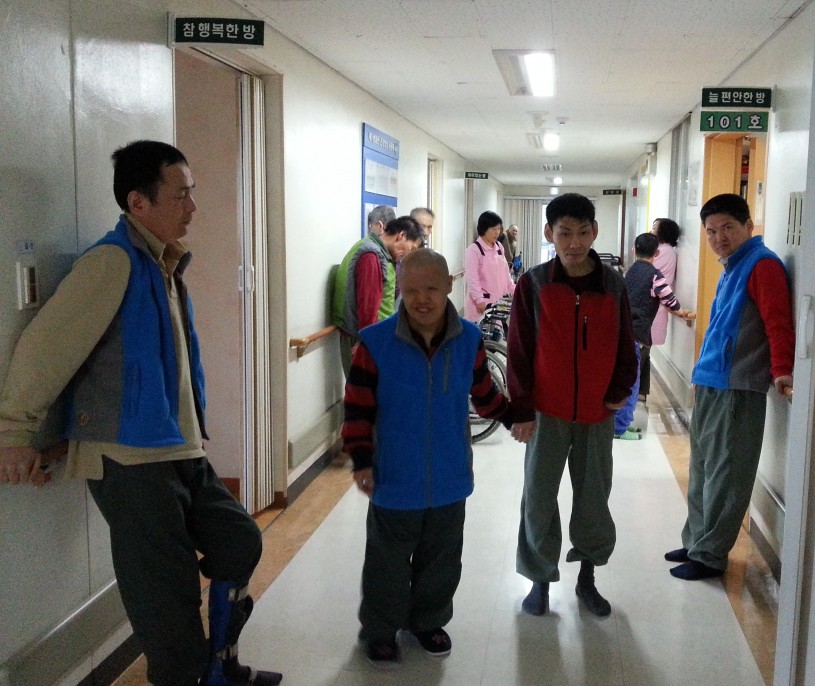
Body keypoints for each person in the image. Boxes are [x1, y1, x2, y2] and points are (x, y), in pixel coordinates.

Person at [0, 141, 280, 686]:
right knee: (166, 594)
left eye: (191, 193)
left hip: (177, 446)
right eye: (181, 195)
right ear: (138, 202)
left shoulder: (162, 264)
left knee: (238, 540)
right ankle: (187, 676)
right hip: (128, 459)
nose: (192, 206)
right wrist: (15, 433)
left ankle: (219, 668)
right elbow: (45, 349)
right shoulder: (111, 263)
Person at [341, 249, 510, 667]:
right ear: (400, 289)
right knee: (387, 564)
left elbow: (484, 394)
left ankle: (428, 621)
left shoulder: (469, 339)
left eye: (431, 288)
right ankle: (381, 630)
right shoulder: (375, 342)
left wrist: (515, 415)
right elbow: (357, 408)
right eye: (411, 290)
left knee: (441, 561)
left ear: (449, 286)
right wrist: (362, 460)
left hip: (450, 477)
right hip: (394, 477)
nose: (421, 299)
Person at [505, 193, 637, 618]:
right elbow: (519, 350)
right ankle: (539, 579)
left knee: (594, 498)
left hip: (597, 413)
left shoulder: (613, 284)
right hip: (546, 411)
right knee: (539, 496)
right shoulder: (535, 284)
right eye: (565, 233)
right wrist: (521, 410)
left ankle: (588, 578)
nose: (574, 243)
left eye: (582, 232)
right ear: (549, 233)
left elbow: (626, 343)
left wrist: (619, 390)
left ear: (594, 232)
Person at [665, 194, 794, 581]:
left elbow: (778, 322)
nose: (719, 237)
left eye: (727, 228)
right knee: (702, 468)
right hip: (711, 381)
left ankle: (710, 555)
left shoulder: (762, 265)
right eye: (711, 231)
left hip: (738, 387)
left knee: (726, 474)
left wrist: (782, 370)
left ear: (748, 227)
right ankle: (696, 540)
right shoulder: (732, 267)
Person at [615, 233, 695, 440]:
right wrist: (681, 311)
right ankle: (620, 428)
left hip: (621, 331)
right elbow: (669, 299)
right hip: (637, 334)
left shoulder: (629, 272)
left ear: (634, 250)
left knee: (622, 380)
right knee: (632, 383)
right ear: (657, 253)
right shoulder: (655, 275)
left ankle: (619, 424)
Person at [330, 216, 423, 374]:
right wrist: (366, 341)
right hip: (365, 336)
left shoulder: (381, 254)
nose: (409, 254)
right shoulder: (371, 255)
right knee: (363, 386)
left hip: (375, 334)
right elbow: (368, 304)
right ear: (401, 235)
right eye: (411, 248)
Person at [642, 217, 681, 402]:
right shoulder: (664, 250)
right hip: (651, 304)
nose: (652, 230)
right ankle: (641, 391)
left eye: (655, 227)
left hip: (652, 305)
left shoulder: (664, 251)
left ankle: (638, 391)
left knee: (641, 351)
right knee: (643, 352)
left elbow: (647, 272)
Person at [463, 211, 515, 321]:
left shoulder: (499, 247)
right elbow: (472, 279)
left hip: (497, 302)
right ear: (484, 229)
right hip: (480, 305)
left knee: (496, 330)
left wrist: (514, 290)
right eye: (494, 229)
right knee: (479, 331)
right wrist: (479, 300)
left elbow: (505, 274)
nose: (497, 232)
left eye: (499, 229)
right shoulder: (474, 250)